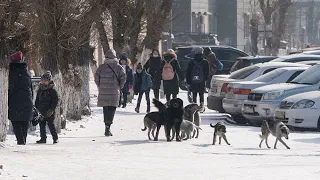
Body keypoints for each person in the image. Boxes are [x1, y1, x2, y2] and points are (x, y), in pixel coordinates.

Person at [94, 49, 126, 136]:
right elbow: (123, 78)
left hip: (103, 91)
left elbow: (96, 78)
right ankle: (109, 125)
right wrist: (120, 86)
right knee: (112, 109)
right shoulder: (119, 67)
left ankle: (106, 126)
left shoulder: (101, 68)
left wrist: (100, 86)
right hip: (114, 92)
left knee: (106, 109)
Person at [8, 51, 33, 145]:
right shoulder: (26, 73)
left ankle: (20, 140)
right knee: (24, 120)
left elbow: (10, 88)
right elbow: (31, 89)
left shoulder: (11, 73)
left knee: (15, 120)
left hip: (14, 100)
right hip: (27, 100)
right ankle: (23, 140)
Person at [35, 71, 59, 144]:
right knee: (42, 125)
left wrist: (52, 109)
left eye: (45, 81)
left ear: (49, 81)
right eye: (42, 81)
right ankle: (43, 138)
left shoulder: (52, 90)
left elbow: (55, 100)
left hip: (49, 111)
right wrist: (36, 108)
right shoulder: (40, 90)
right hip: (41, 110)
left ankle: (55, 138)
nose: (43, 82)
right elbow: (37, 99)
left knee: (51, 125)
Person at [186, 47, 209, 113]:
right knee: (201, 94)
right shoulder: (205, 62)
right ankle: (201, 107)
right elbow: (207, 72)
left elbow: (188, 72)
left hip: (193, 80)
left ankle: (194, 107)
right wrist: (205, 79)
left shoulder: (191, 61)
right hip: (201, 81)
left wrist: (188, 81)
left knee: (194, 93)